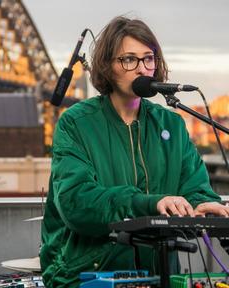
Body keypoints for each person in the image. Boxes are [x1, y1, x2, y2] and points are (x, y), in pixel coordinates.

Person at [40, 16, 229, 288]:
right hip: (86, 276)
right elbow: (76, 202)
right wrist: (149, 203)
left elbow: (193, 188)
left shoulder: (171, 124)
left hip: (161, 274)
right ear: (107, 66)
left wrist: (204, 205)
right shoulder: (76, 123)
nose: (142, 68)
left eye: (148, 58)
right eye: (129, 59)